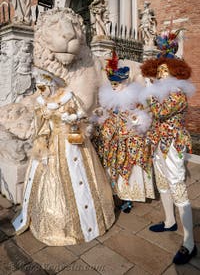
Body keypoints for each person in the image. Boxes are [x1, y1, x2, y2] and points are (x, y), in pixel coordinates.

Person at [12, 70, 115, 246]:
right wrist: (42, 144)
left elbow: (83, 116)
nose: (41, 91)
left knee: (79, 176)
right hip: (51, 144)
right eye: (38, 88)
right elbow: (40, 127)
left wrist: (73, 118)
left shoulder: (68, 96)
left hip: (72, 142)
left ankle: (89, 220)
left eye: (43, 87)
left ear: (51, 85)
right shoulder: (40, 102)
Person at [140, 30, 197, 264]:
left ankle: (189, 243)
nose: (161, 76)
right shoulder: (160, 93)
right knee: (162, 182)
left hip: (172, 145)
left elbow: (160, 112)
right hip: (157, 144)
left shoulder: (177, 95)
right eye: (159, 71)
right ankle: (169, 221)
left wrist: (149, 91)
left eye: (166, 72)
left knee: (177, 186)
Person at [92, 51, 155, 213]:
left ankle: (127, 197)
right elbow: (107, 113)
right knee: (111, 163)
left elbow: (142, 114)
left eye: (117, 84)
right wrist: (101, 115)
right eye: (112, 84)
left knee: (128, 164)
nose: (114, 87)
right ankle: (115, 193)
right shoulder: (109, 96)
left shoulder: (134, 96)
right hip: (113, 137)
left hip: (128, 137)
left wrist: (135, 121)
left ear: (124, 83)